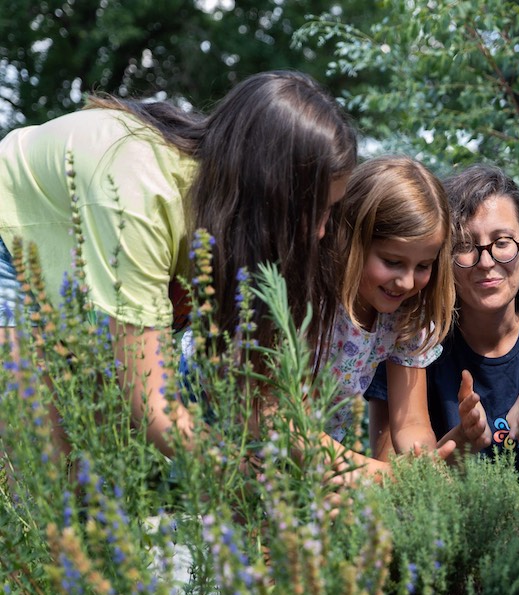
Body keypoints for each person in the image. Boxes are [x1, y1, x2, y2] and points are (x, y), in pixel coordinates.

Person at [0, 70, 389, 478]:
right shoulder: (142, 198)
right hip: (11, 232)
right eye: (314, 212)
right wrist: (245, 477)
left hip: (75, 251)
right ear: (269, 193)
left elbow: (257, 403)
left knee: (89, 463)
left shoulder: (228, 217)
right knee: (41, 460)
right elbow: (153, 408)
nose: (322, 231)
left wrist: (361, 471)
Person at [366, 165, 519, 475]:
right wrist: (462, 441)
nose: (486, 262)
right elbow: (390, 478)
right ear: (443, 257)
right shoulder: (410, 334)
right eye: (465, 246)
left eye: (502, 242)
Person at [323, 155, 456, 457]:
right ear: (352, 239)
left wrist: (423, 470)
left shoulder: (405, 317)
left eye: (424, 265)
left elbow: (410, 421)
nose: (407, 283)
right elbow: (290, 425)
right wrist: (372, 476)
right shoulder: (315, 306)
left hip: (321, 460)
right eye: (393, 262)